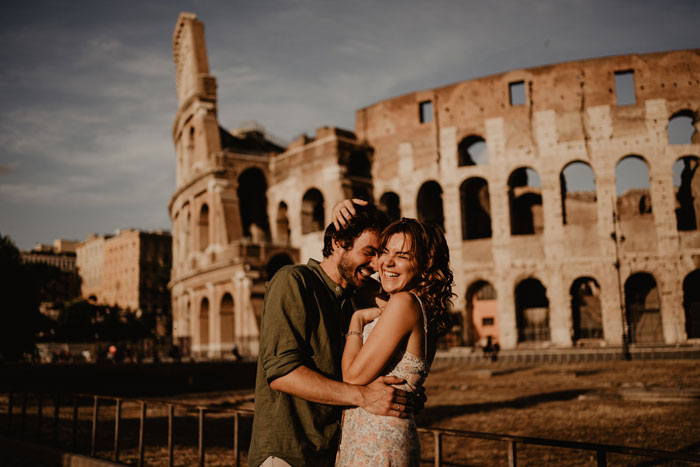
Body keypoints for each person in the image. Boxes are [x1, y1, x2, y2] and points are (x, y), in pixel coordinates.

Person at [248, 203, 414, 467]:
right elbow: (283, 374)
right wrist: (364, 396)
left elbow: (405, 309)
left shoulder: (350, 299)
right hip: (287, 455)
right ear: (338, 242)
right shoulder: (294, 280)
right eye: (369, 252)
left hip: (329, 455)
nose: (375, 264)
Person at [334, 204, 454, 466]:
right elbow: (363, 283)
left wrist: (357, 320)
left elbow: (353, 376)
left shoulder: (404, 304)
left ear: (424, 266)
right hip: (377, 436)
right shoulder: (414, 306)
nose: (387, 261)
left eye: (402, 255)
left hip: (378, 441)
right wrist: (346, 212)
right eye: (384, 252)